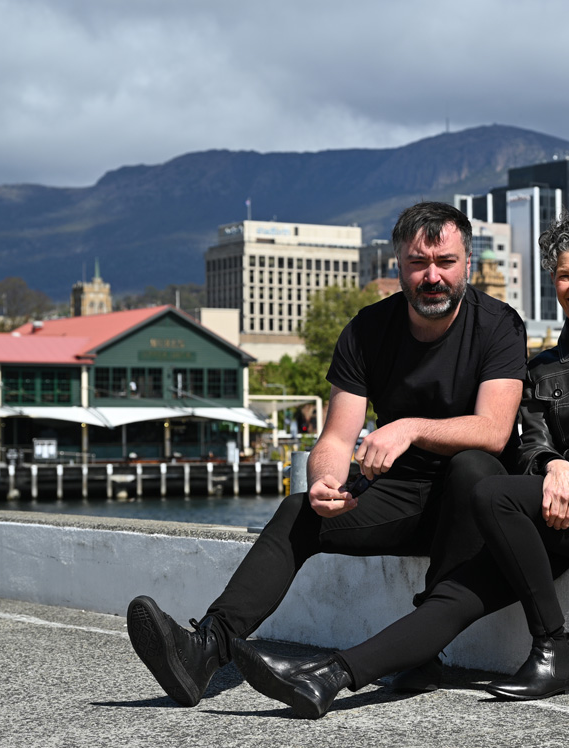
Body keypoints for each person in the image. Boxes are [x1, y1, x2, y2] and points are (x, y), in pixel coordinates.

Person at [230, 212, 569, 719]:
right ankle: (328, 679)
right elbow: (532, 444)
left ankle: (554, 648)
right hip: (561, 506)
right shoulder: (542, 366)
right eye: (565, 276)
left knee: (491, 491)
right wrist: (553, 465)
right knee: (452, 597)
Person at [126, 201, 527, 707]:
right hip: (403, 498)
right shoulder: (366, 330)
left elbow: (493, 431)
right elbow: (337, 438)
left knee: (474, 466)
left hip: (475, 508)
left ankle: (421, 649)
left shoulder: (499, 325)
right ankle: (205, 649)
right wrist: (326, 482)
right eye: (417, 263)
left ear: (467, 262)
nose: (432, 276)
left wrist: (408, 428)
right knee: (300, 509)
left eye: (445, 262)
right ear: (396, 265)